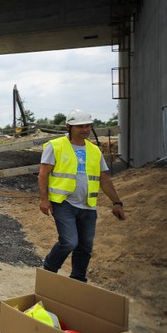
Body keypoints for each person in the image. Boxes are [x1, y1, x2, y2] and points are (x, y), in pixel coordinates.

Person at [39, 109, 126, 282]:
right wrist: (44, 200)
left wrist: (117, 202)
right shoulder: (55, 146)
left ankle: (78, 280)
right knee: (69, 242)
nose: (85, 129)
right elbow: (43, 174)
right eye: (80, 126)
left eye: (87, 125)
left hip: (88, 205)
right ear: (69, 127)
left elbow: (104, 179)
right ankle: (48, 271)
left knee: (85, 246)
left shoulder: (94, 151)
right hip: (64, 203)